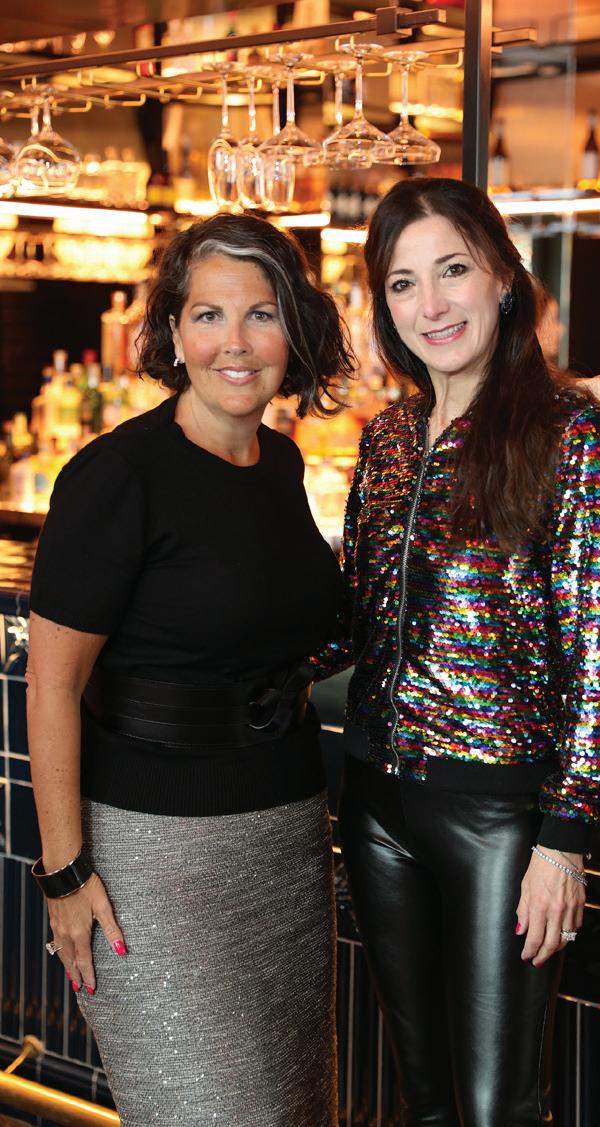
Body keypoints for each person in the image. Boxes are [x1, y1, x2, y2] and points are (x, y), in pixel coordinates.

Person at [27, 213, 354, 1126]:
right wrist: (64, 875)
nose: (235, 343)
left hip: (286, 839)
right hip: (153, 861)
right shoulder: (116, 476)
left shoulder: (280, 462)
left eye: (261, 314)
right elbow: (51, 686)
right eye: (209, 315)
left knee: (294, 1109)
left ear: (294, 331)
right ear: (174, 332)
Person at [323, 178, 600, 1127]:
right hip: (375, 801)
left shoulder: (569, 434)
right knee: (420, 1097)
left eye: (452, 269)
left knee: (499, 1105)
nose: (431, 304)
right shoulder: (386, 441)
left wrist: (566, 838)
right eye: (403, 282)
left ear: (503, 276)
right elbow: (354, 620)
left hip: (500, 815)